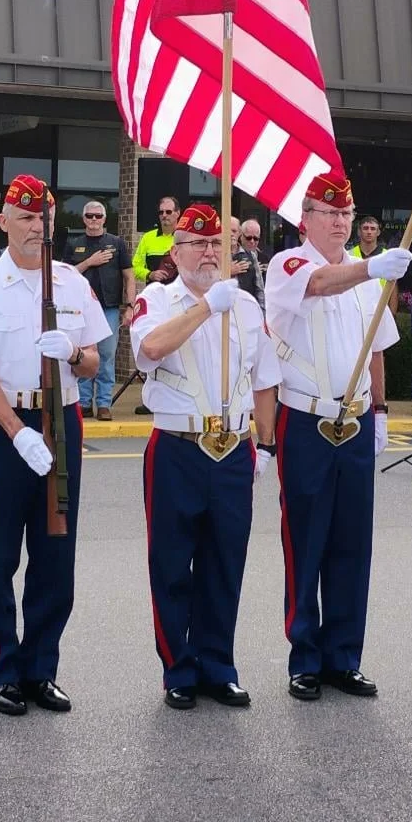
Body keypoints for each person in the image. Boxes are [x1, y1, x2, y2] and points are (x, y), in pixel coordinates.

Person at [0, 175, 106, 717]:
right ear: (4, 222)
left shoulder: (69, 282)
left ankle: (42, 669)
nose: (36, 227)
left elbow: (93, 360)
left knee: (55, 553)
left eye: (43, 218)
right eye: (26, 218)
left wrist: (73, 354)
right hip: (4, 423)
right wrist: (18, 431)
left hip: (61, 418)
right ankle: (5, 672)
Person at [265, 170, 412, 702]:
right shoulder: (289, 263)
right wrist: (370, 265)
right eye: (331, 214)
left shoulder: (367, 279)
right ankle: (305, 657)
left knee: (352, 544)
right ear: (306, 219)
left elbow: (376, 347)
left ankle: (344, 657)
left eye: (347, 214)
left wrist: (379, 411)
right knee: (306, 542)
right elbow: (322, 284)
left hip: (353, 423)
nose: (341, 222)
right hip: (305, 420)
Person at [130, 202, 280, 709]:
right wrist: (204, 308)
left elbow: (263, 383)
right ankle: (179, 669)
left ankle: (218, 664)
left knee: (224, 563)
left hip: (233, 448)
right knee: (172, 565)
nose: (209, 252)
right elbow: (148, 349)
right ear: (177, 250)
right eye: (197, 243)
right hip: (178, 447)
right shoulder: (158, 297)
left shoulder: (246, 305)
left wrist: (265, 444)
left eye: (217, 242)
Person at [61, 200, 125, 420]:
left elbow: (128, 274)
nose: (94, 220)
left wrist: (130, 305)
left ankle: (104, 404)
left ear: (105, 219)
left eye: (98, 216)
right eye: (90, 216)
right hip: (81, 308)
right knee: (83, 355)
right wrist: (90, 261)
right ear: (84, 218)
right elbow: (66, 274)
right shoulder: (74, 243)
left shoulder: (116, 243)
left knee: (106, 356)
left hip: (109, 307)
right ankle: (85, 402)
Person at [129, 196, 181, 299]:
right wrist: (150, 274)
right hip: (154, 297)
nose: (164, 215)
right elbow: (134, 267)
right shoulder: (147, 238)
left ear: (178, 213)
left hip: (179, 296)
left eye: (168, 212)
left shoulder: (185, 237)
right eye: (161, 212)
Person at [232, 217, 267, 306]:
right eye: (248, 238)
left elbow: (260, 289)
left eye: (256, 238)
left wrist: (262, 313)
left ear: (239, 233)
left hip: (247, 307)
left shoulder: (253, 256)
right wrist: (226, 272)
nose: (252, 241)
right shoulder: (216, 254)